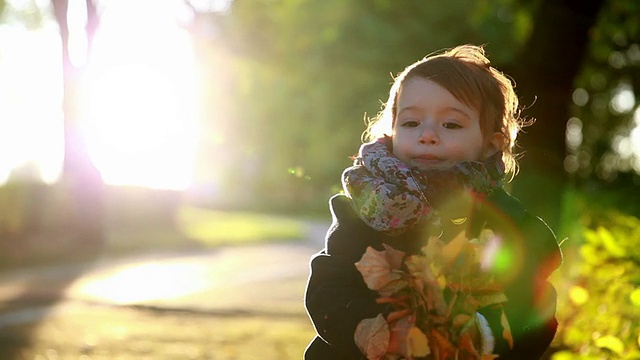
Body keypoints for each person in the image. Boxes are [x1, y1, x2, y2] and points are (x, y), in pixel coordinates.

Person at [304, 44, 562, 359]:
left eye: (450, 124)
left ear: (491, 145)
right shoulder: (366, 207)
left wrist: (483, 335)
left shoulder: (502, 219)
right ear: (394, 131)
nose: (427, 135)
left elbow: (535, 299)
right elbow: (329, 285)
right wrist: (366, 329)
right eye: (411, 123)